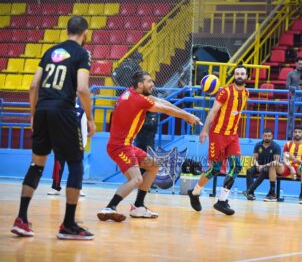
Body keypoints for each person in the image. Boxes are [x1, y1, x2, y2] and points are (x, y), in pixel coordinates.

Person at [11, 16, 96, 240]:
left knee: (37, 164)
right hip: (64, 111)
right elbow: (82, 89)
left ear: (67, 30)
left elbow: (32, 86)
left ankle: (21, 219)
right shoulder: (82, 54)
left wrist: (33, 114)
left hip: (42, 111)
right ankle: (68, 224)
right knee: (75, 163)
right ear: (85, 32)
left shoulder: (50, 52)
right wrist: (89, 118)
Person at [97, 70, 202, 222]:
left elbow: (162, 102)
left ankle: (139, 206)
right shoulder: (139, 100)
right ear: (140, 85)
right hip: (120, 147)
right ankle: (109, 207)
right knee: (136, 179)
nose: (152, 84)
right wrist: (187, 116)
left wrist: (185, 113)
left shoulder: (131, 92)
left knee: (153, 166)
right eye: (149, 82)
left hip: (127, 145)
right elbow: (165, 109)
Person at [187, 65, 249, 215]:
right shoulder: (225, 92)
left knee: (236, 167)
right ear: (234, 75)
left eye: (242, 73)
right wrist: (205, 131)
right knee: (215, 168)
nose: (239, 75)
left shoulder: (246, 93)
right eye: (237, 73)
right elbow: (214, 111)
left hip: (233, 135)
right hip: (218, 134)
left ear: (246, 76)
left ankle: (222, 201)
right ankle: (194, 193)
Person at [48, 99, 87, 197]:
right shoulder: (60, 109)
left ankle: (78, 188)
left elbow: (84, 129)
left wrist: (83, 145)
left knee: (77, 169)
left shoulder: (81, 111)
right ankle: (55, 188)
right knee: (58, 166)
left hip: (76, 145)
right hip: (60, 143)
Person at [266, 126, 302, 203]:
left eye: (299, 132)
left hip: (299, 169)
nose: (297, 133)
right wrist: (291, 168)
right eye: (295, 132)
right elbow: (284, 159)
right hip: (288, 167)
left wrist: (296, 160)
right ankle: (272, 193)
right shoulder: (288, 144)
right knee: (273, 163)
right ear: (293, 134)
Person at [242, 128, 281, 201]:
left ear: (272, 136)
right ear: (263, 136)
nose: (267, 137)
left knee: (265, 170)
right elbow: (254, 158)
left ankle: (249, 190)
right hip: (259, 166)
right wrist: (257, 165)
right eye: (265, 136)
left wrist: (263, 166)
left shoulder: (276, 146)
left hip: (269, 168)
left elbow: (276, 161)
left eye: (269, 136)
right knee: (249, 171)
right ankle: (251, 194)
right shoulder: (258, 145)